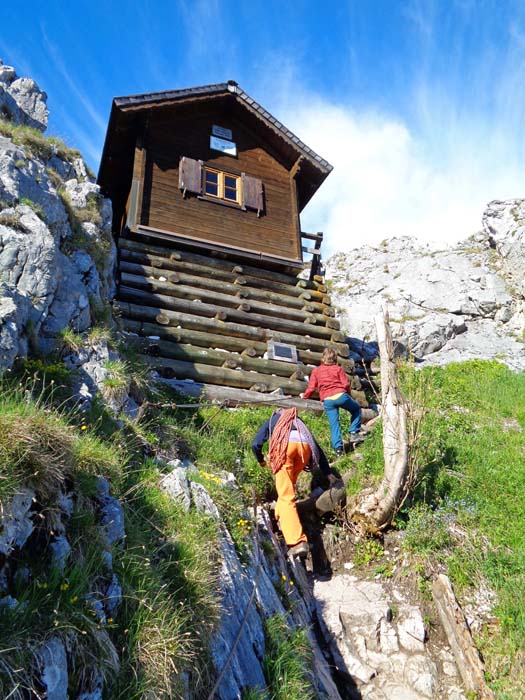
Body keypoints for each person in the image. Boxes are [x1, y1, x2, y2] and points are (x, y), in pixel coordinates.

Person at [252, 407, 337, 557]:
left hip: (285, 449)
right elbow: (316, 447)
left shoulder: (273, 420)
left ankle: (297, 542)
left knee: (286, 496)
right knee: (287, 489)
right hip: (304, 450)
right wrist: (328, 473)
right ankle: (280, 516)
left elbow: (256, 444)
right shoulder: (298, 422)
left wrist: (261, 461)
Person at [300, 347, 364, 456]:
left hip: (328, 400)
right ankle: (354, 432)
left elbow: (311, 388)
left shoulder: (316, 370)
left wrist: (304, 396)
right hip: (341, 396)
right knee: (356, 409)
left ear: (323, 357)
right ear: (335, 358)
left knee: (334, 425)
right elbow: (345, 384)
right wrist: (348, 395)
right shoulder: (338, 369)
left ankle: (338, 450)